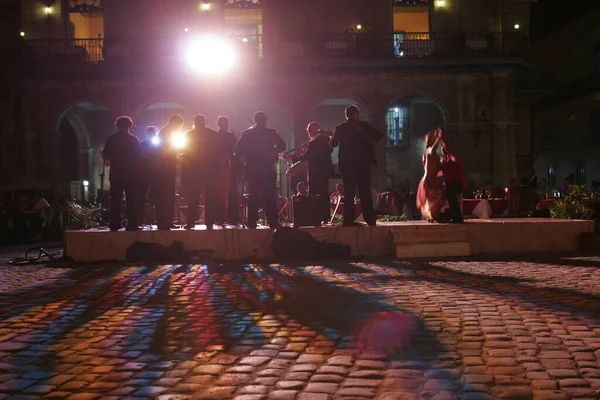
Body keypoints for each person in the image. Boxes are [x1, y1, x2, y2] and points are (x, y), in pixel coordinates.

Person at [330, 105, 383, 227]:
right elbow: (378, 135)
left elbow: (332, 144)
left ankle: (348, 221)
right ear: (356, 114)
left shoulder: (340, 128)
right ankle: (370, 219)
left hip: (347, 165)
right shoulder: (363, 125)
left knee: (349, 193)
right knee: (365, 192)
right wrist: (371, 144)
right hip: (362, 164)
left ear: (346, 115)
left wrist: (332, 137)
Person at [235, 111, 286, 229]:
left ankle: (252, 222)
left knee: (253, 196)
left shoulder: (247, 133)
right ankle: (272, 222)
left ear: (255, 120)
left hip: (253, 170)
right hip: (269, 169)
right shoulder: (271, 133)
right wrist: (273, 152)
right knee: (270, 197)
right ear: (265, 120)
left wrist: (248, 156)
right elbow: (282, 145)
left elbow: (238, 150)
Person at [283, 122, 333, 222]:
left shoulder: (315, 142)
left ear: (316, 129)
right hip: (324, 171)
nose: (308, 132)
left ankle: (315, 217)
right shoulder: (324, 141)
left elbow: (307, 157)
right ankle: (325, 217)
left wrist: (292, 158)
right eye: (307, 130)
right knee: (323, 193)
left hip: (315, 172)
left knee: (313, 194)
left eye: (310, 130)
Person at [102, 116, 141, 231]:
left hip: (116, 173)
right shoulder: (133, 139)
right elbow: (139, 156)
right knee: (131, 199)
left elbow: (106, 156)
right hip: (131, 174)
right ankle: (132, 224)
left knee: (115, 200)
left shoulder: (111, 139)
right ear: (130, 126)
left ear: (117, 126)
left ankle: (115, 223)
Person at [183, 114, 220, 230]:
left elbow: (186, 153)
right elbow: (217, 152)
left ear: (194, 122)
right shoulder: (213, 134)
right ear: (204, 122)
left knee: (193, 197)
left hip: (194, 170)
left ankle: (190, 222)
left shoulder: (188, 135)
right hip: (210, 170)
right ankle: (209, 222)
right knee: (210, 197)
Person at [156, 115, 184, 230]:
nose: (179, 129)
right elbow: (167, 152)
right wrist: (178, 157)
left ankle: (165, 221)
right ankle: (165, 221)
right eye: (179, 126)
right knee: (167, 196)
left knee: (166, 196)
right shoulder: (166, 133)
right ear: (174, 123)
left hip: (165, 169)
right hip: (166, 170)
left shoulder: (165, 132)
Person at [416, 128, 448, 222]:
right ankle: (434, 216)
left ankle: (433, 217)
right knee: (433, 200)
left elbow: (435, 170)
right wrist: (438, 138)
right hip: (429, 180)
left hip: (430, 179)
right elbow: (432, 149)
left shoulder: (429, 154)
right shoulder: (429, 151)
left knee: (434, 200)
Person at [438, 130, 466, 223]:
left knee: (449, 192)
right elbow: (439, 173)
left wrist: (442, 138)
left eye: (443, 146)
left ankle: (456, 217)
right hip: (448, 184)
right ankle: (450, 215)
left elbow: (455, 160)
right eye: (442, 146)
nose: (442, 148)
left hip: (456, 183)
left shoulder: (454, 156)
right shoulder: (444, 160)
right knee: (444, 193)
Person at [216, 116, 238, 225]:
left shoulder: (215, 136)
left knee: (223, 194)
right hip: (226, 169)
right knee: (228, 194)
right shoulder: (230, 136)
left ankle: (221, 218)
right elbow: (236, 151)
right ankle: (229, 218)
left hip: (223, 170)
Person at [138, 126, 157, 224]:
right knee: (143, 195)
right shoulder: (143, 144)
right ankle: (141, 218)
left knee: (145, 195)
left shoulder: (142, 144)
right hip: (148, 173)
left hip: (149, 173)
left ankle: (142, 219)